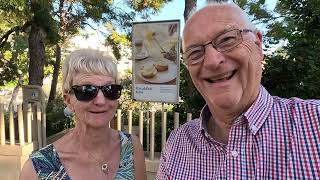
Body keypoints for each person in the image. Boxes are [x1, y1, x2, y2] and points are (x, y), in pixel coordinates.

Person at [157, 2, 320, 179]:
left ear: (258, 45)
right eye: (195, 52)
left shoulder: (314, 124)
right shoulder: (178, 143)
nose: (212, 61)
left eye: (227, 39)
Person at [20, 49, 146, 180]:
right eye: (87, 91)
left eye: (110, 90)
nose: (101, 101)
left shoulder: (131, 147)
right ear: (68, 100)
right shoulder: (37, 170)